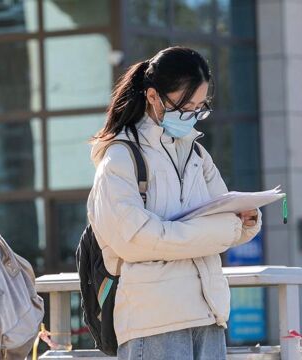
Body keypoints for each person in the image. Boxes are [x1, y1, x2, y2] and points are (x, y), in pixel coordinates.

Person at [87, 47, 261, 359]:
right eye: (184, 107)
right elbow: (137, 241)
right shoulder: (120, 158)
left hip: (209, 315)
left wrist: (242, 222)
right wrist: (215, 234)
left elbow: (232, 220)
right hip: (153, 320)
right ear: (153, 96)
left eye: (200, 108)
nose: (192, 116)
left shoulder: (196, 153)